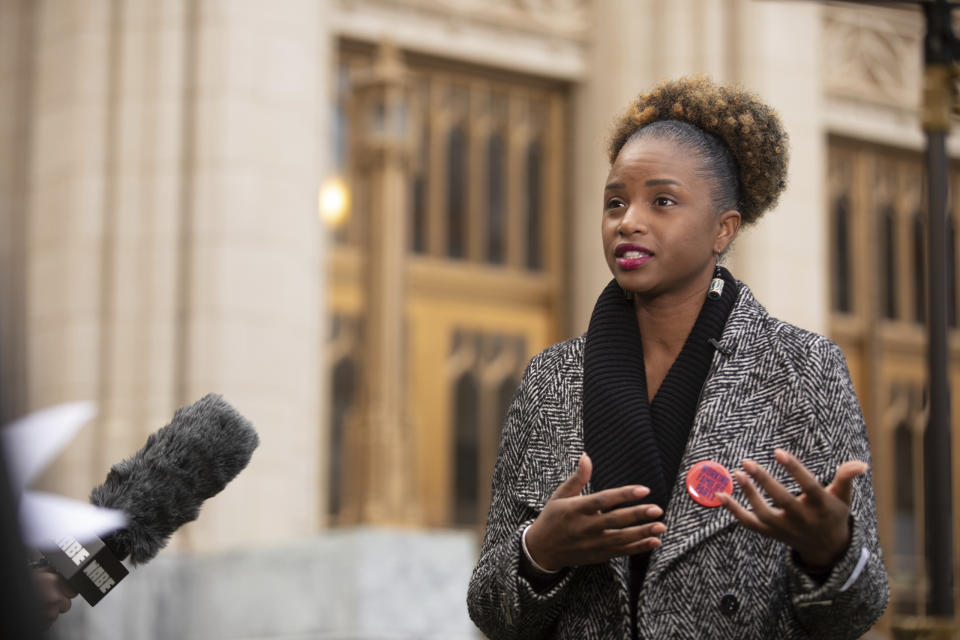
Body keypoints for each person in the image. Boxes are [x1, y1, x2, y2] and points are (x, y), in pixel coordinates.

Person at [466, 76, 889, 639]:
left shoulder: (805, 369)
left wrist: (830, 552)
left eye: (661, 201)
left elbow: (860, 610)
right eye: (615, 202)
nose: (629, 221)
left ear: (723, 229)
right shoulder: (552, 378)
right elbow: (491, 612)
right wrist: (540, 553)